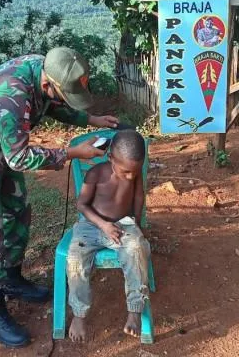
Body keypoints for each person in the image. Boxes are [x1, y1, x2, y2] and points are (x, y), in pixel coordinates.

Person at [0, 47, 118, 348]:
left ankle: (12, 279)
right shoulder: (12, 93)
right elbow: (19, 158)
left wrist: (92, 120)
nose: (60, 99)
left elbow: (54, 105)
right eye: (62, 93)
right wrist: (71, 153)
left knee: (17, 209)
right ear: (48, 84)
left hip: (1, 145)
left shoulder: (49, 70)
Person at [66, 129, 151, 342]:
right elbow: (81, 204)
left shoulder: (135, 173)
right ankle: (78, 314)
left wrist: (138, 224)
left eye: (135, 171)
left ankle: (134, 310)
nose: (131, 176)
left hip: (123, 223)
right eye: (125, 171)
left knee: (136, 249)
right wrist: (103, 225)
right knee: (76, 260)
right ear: (111, 157)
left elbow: (139, 196)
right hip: (92, 224)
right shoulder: (95, 174)